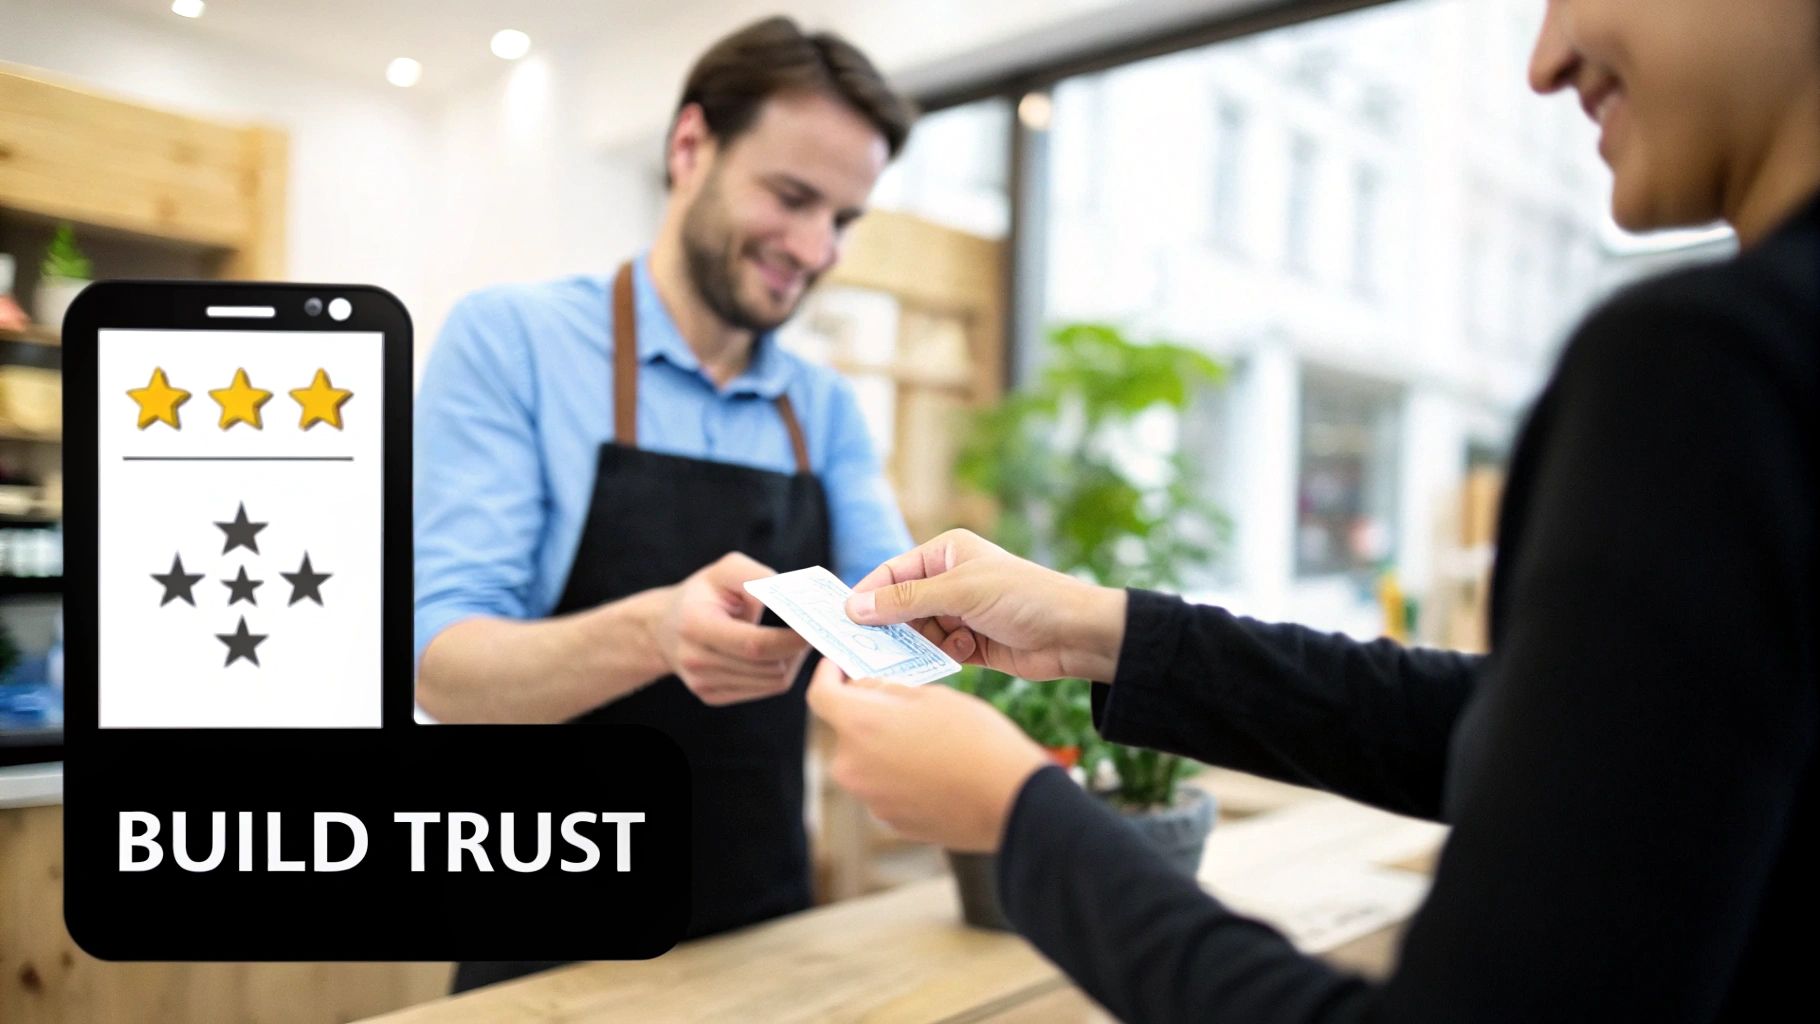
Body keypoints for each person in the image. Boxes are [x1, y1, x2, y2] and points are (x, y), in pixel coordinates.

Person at [807, 0, 1819, 1019]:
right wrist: (1098, 627)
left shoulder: (1713, 371)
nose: (1544, 61)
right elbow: (1558, 740)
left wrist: (1016, 815)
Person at [413, 17, 916, 992]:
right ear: (689, 148)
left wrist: (945, 640)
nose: (815, 248)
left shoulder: (824, 409)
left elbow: (889, 639)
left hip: (767, 933)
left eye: (843, 219)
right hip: (545, 942)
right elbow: (443, 668)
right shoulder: (512, 342)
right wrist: (656, 630)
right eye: (790, 195)